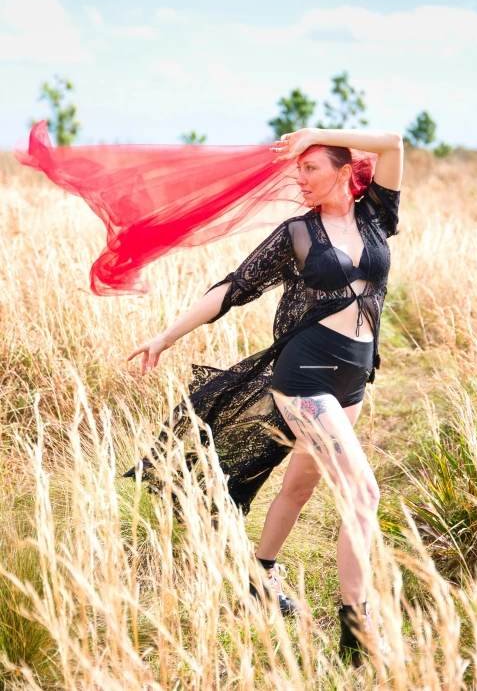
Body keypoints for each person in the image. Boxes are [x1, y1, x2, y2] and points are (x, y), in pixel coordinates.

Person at [124, 127, 403, 665]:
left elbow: (392, 142)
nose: (300, 178)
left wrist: (319, 131)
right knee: (363, 495)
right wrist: (166, 335)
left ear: (344, 171)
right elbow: (232, 288)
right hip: (305, 379)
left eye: (311, 167)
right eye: (298, 170)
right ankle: (359, 628)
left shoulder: (376, 217)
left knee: (300, 485)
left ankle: (261, 574)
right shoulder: (297, 233)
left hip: (354, 378)